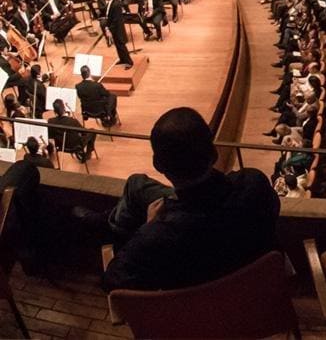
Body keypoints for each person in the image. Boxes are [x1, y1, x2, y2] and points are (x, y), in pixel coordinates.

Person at [101, 107, 280, 292]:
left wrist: (148, 226)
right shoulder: (254, 184)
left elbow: (112, 281)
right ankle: (106, 218)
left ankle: (107, 224)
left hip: (200, 307)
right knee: (137, 185)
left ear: (158, 165)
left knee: (135, 185)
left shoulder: (157, 236)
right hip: (254, 293)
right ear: (214, 153)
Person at [48, 98, 92, 162]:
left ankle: (80, 152)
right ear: (64, 109)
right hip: (75, 146)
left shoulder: (50, 121)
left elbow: (50, 136)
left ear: (54, 111)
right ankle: (87, 154)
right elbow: (84, 132)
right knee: (92, 131)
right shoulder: (72, 121)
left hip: (60, 146)